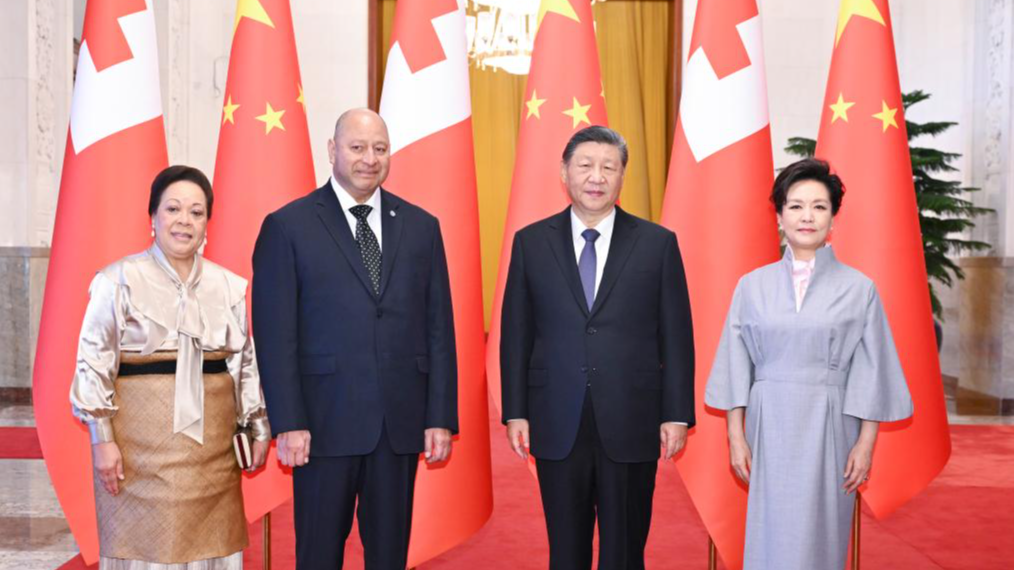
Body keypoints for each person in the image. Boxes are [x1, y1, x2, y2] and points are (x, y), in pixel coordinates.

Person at [251, 108, 458, 570]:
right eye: (358, 147)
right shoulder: (288, 226)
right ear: (332, 151)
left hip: (398, 425)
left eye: (380, 148)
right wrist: (288, 421)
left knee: (389, 556)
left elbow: (439, 328)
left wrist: (439, 416)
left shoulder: (422, 227)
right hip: (322, 425)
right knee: (319, 555)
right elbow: (274, 334)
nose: (369, 158)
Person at [500, 126, 695, 569]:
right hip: (556, 417)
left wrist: (676, 412)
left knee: (625, 550)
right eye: (585, 165)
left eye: (609, 167)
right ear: (564, 173)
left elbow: (677, 335)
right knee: (565, 550)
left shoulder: (657, 244)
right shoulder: (531, 242)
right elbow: (516, 333)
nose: (596, 176)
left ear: (622, 176)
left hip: (632, 417)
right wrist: (516, 410)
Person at [705, 158, 914, 570]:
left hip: (831, 425)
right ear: (779, 214)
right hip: (768, 424)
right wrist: (735, 435)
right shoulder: (751, 285)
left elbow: (872, 370)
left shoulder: (859, 288)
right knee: (770, 532)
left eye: (819, 206)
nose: (807, 216)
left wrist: (866, 444)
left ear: (833, 217)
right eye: (796, 205)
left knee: (822, 534)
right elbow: (735, 364)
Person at [70, 165, 270, 570]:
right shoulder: (117, 281)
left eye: (196, 212)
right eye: (173, 209)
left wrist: (257, 425)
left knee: (213, 549)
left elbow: (243, 363)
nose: (184, 221)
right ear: (153, 217)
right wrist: (101, 437)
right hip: (137, 454)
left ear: (207, 223)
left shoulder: (228, 286)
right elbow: (93, 363)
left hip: (213, 454)